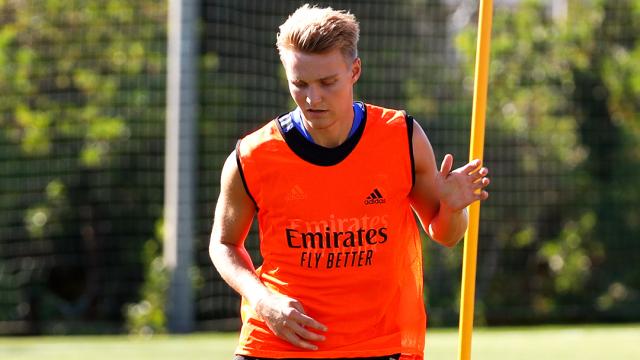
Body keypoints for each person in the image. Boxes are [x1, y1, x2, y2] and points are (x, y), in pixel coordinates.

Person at [209, 4, 490, 360]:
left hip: (377, 344)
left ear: (354, 70)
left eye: (328, 83)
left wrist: (452, 206)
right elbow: (223, 244)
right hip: (277, 345)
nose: (313, 98)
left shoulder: (401, 137)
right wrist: (262, 300)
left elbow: (447, 234)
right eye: (300, 84)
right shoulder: (252, 156)